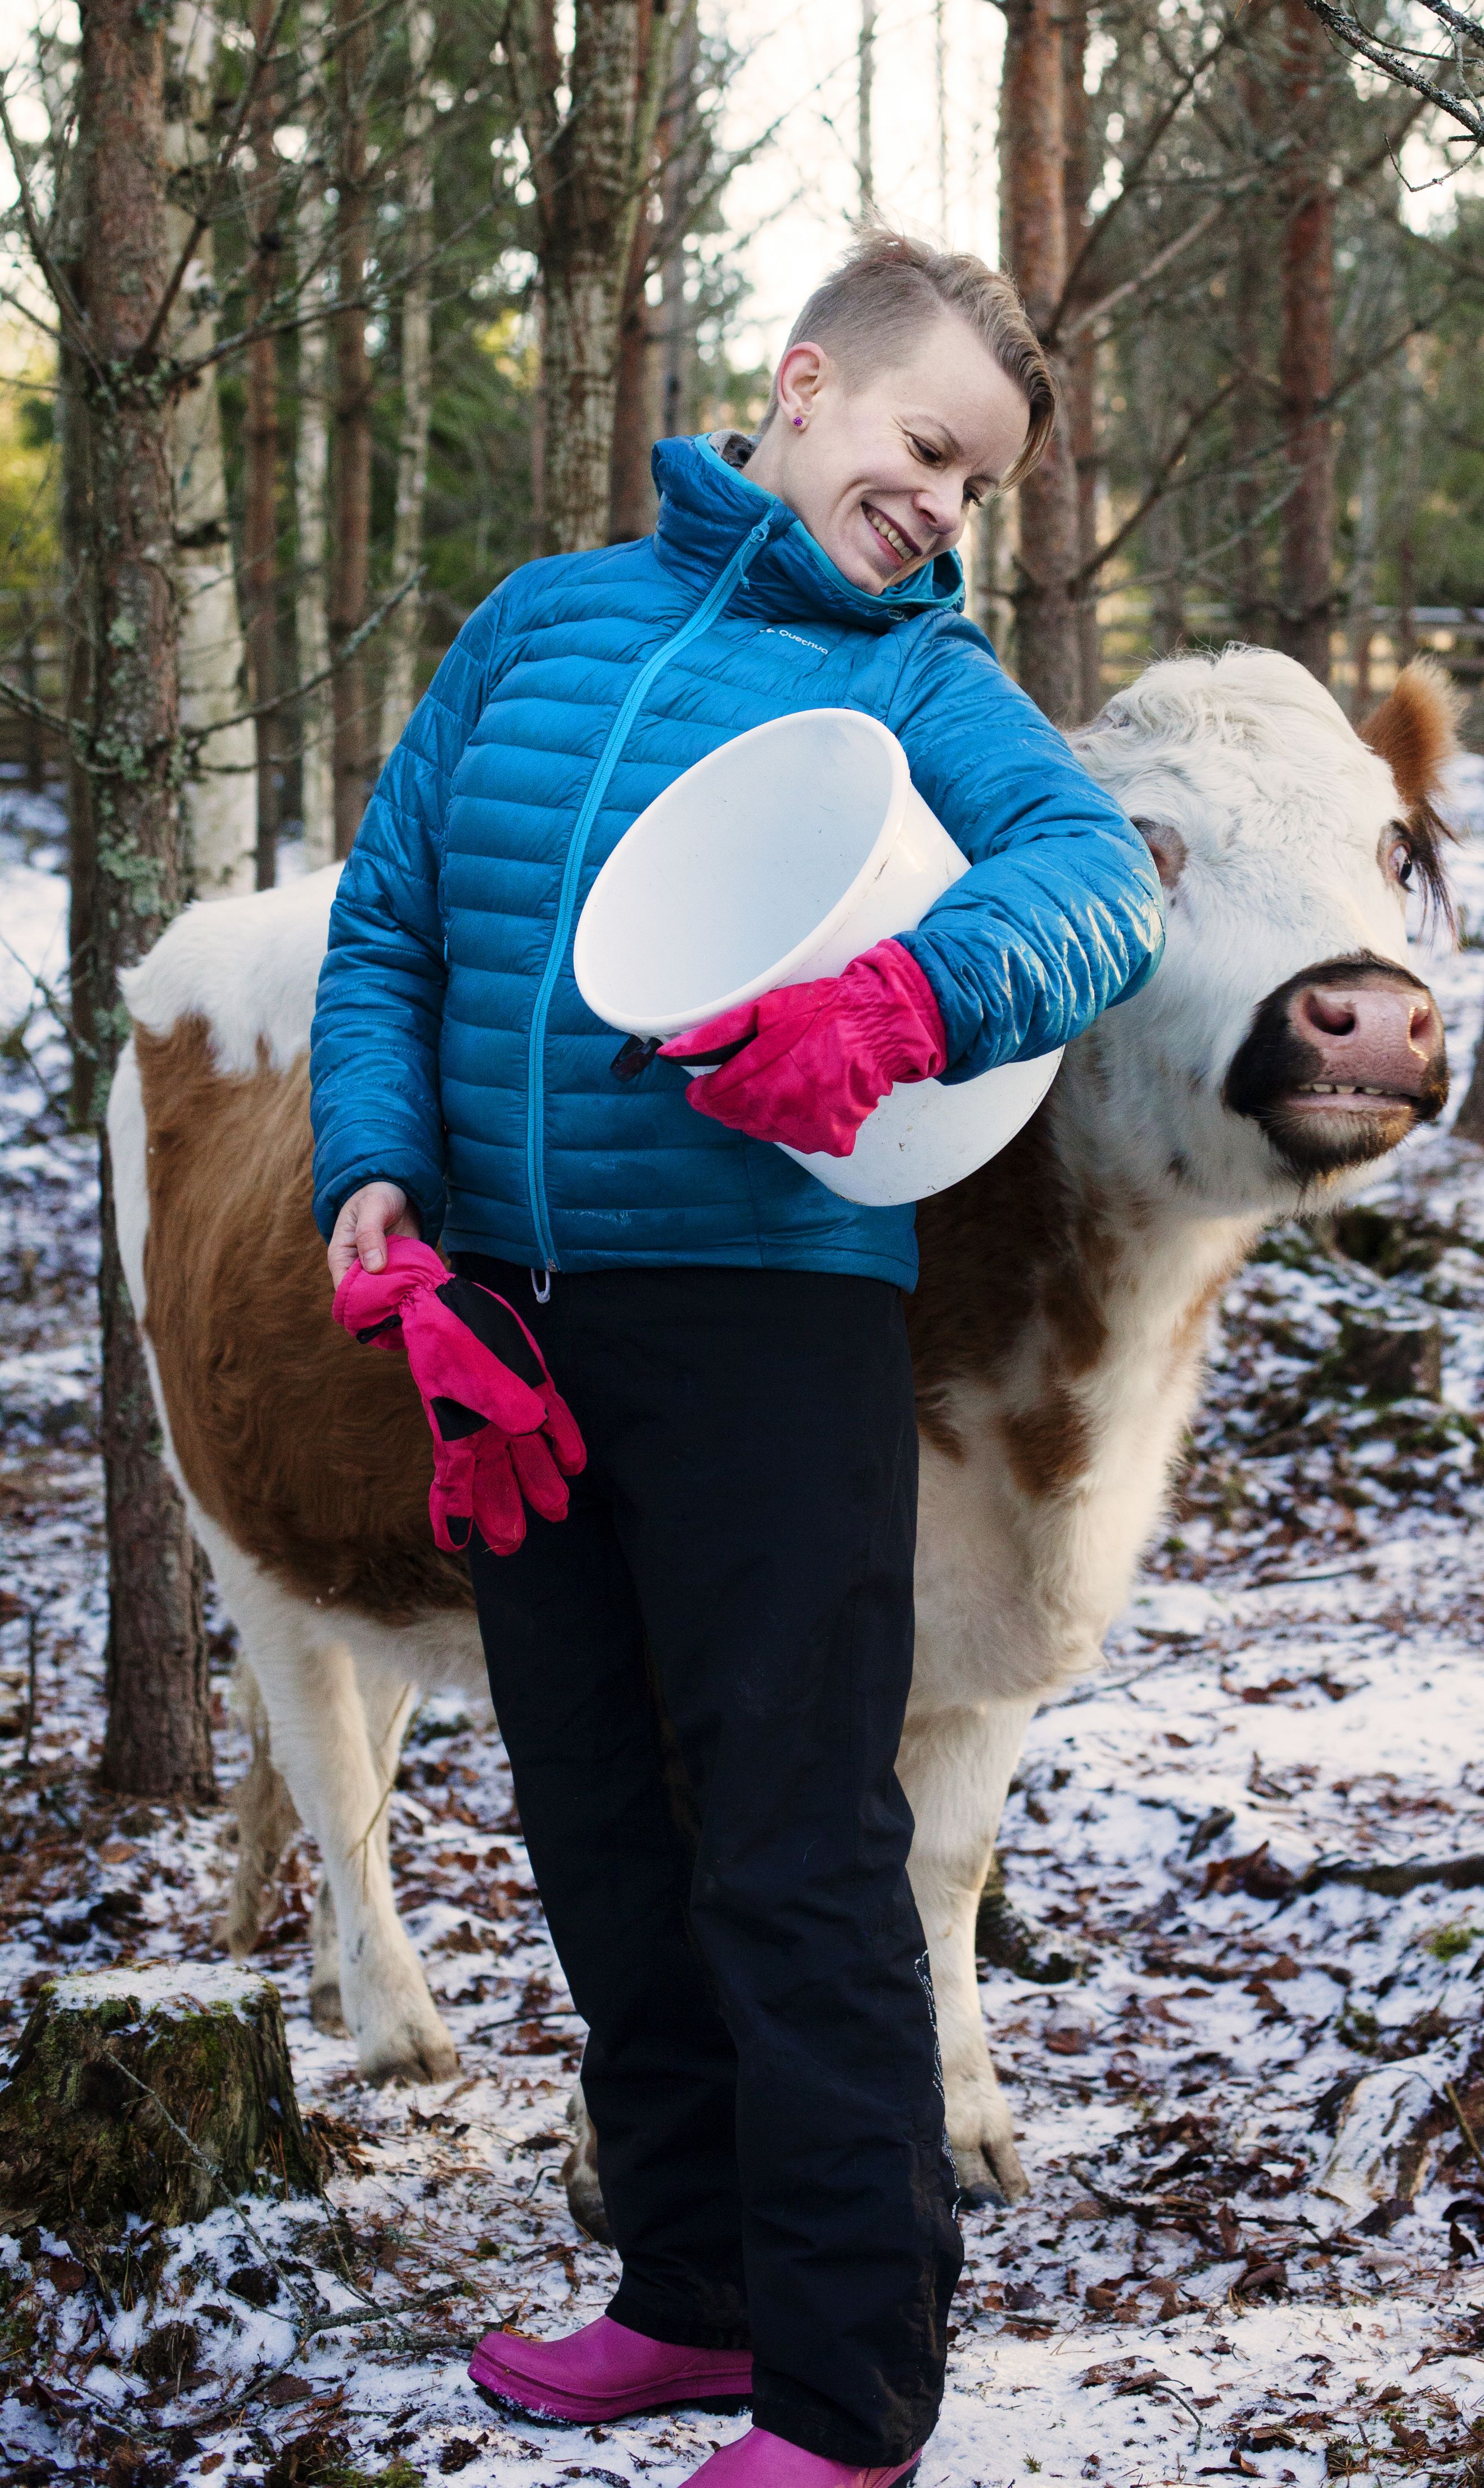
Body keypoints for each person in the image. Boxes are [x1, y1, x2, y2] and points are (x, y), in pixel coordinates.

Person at [309, 235, 1163, 2488]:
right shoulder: (540, 620)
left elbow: (1098, 881)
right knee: (598, 1826)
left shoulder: (920, 684)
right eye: (924, 450)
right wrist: (376, 1175)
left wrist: (908, 998)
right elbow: (392, 913)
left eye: (977, 487)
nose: (944, 509)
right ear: (802, 388)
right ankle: (689, 2301)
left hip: (771, 1321)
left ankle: (850, 2389)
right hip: (508, 1323)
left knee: (788, 1846)